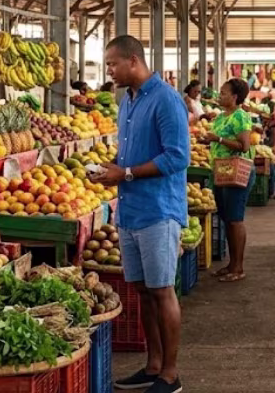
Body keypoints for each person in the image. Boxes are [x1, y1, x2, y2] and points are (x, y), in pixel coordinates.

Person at [96, 36, 189, 393]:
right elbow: (129, 156)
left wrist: (127, 173)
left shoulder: (166, 99)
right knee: (143, 290)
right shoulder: (128, 101)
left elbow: (177, 157)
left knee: (162, 290)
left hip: (158, 210)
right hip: (130, 211)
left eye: (112, 63)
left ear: (133, 60)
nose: (109, 70)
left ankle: (171, 374)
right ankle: (153, 366)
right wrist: (110, 169)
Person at [201, 78, 254, 283]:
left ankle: (238, 267)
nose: (219, 96)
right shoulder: (221, 116)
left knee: (235, 219)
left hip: (237, 173)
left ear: (234, 97)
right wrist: (209, 141)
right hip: (221, 172)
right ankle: (231, 264)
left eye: (223, 93)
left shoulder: (241, 116)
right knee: (226, 219)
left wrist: (218, 139)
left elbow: (244, 146)